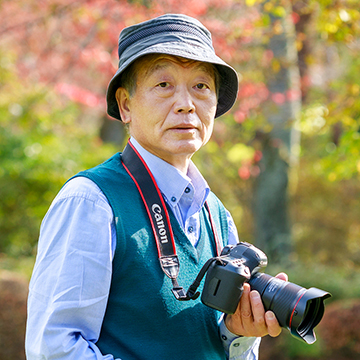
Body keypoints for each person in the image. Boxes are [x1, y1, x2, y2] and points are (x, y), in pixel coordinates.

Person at [25, 13, 288, 360]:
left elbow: (212, 345)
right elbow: (53, 349)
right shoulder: (92, 201)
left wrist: (238, 335)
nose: (186, 104)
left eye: (201, 86)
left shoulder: (217, 216)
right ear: (126, 105)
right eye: (163, 85)